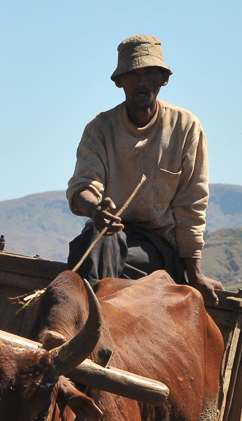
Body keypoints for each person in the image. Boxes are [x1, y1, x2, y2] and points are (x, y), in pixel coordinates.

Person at [65, 34, 223, 301]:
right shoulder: (100, 129)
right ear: (119, 81)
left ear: (164, 79)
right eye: (132, 73)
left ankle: (89, 319)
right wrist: (96, 209)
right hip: (107, 235)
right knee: (94, 239)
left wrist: (194, 274)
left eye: (149, 72)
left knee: (95, 266)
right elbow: (84, 187)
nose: (141, 81)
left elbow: (191, 205)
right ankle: (90, 319)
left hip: (158, 246)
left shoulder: (185, 128)